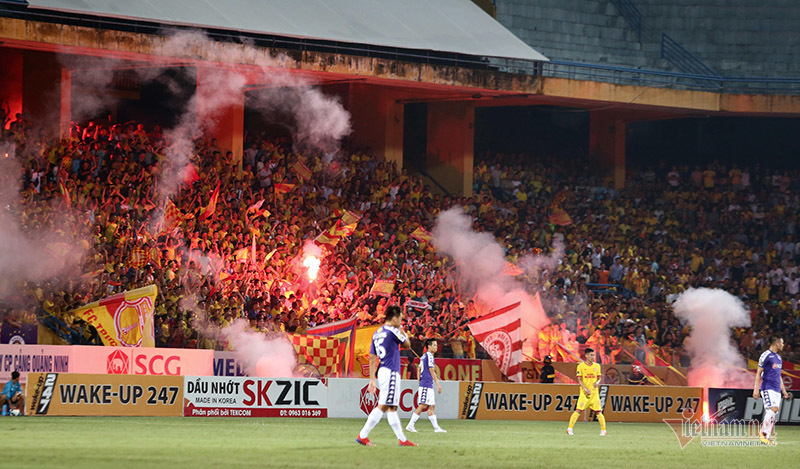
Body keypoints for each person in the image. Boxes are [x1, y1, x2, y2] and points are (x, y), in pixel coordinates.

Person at [357, 305, 417, 447]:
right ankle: (362, 435)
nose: (401, 321)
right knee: (384, 405)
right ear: (394, 318)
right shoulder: (393, 331)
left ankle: (402, 439)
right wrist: (402, 331)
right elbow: (407, 345)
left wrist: (372, 379)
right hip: (391, 372)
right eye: (400, 318)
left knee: (392, 407)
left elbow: (372, 357)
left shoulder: (377, 333)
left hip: (382, 370)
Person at [753, 336, 790, 445]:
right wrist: (756, 389)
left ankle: (766, 438)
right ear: (777, 343)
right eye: (782, 343)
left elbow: (778, 376)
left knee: (774, 412)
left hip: (777, 389)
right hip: (768, 387)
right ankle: (763, 435)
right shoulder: (766, 355)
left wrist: (784, 391)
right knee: (773, 409)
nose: (783, 345)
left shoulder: (778, 358)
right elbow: (758, 373)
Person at [406, 338, 446, 433]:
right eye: (434, 345)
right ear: (429, 346)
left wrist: (419, 381)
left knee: (431, 406)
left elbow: (419, 369)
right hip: (426, 384)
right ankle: (410, 425)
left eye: (436, 345)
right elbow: (431, 370)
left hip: (426, 384)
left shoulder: (424, 356)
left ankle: (436, 428)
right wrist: (437, 384)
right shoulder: (430, 356)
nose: (436, 347)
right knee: (423, 405)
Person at [567, 347, 606, 436]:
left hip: (594, 393)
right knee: (578, 411)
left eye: (594, 355)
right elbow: (579, 380)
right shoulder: (581, 366)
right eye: (591, 355)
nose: (593, 357)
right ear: (586, 356)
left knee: (598, 412)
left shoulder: (597, 366)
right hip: (584, 393)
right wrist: (585, 389)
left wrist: (597, 383)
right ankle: (569, 429)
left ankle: (603, 430)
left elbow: (599, 378)